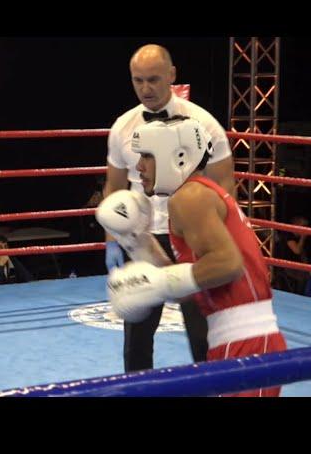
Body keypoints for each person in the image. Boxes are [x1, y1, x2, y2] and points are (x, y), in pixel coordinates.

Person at [97, 116, 287, 397]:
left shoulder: (191, 197)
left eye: (147, 156)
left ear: (178, 156)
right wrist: (138, 241)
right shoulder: (192, 197)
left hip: (247, 342)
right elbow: (189, 288)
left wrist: (159, 282)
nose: (139, 168)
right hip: (233, 340)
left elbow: (228, 264)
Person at [103, 44, 235, 372]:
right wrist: (111, 240)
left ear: (172, 76)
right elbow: (114, 186)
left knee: (202, 326)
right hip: (144, 237)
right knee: (137, 327)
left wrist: (217, 237)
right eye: (138, 81)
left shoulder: (204, 124)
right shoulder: (123, 126)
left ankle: (212, 389)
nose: (146, 89)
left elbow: (225, 187)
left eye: (153, 79)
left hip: (192, 237)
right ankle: (138, 391)